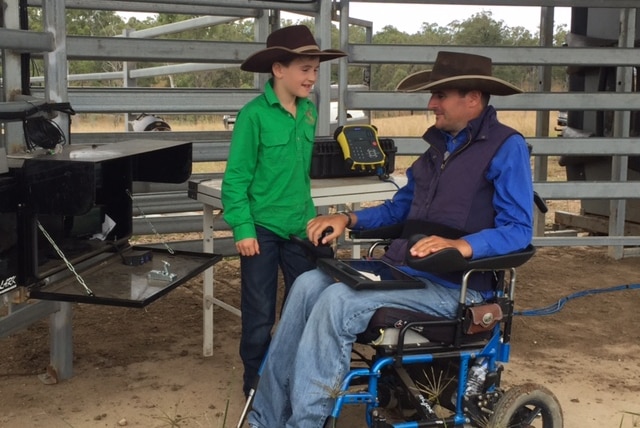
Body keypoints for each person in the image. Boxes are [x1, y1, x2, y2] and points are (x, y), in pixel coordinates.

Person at [247, 51, 534, 428]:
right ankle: (264, 419)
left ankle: (305, 423)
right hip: (405, 269)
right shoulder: (437, 150)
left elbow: (519, 229)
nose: (432, 104)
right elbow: (399, 208)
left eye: (441, 95)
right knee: (306, 283)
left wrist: (461, 246)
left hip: (458, 287)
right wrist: (347, 218)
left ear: (473, 99)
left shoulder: (505, 147)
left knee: (337, 300)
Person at [221, 25, 346, 398]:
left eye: (315, 70)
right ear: (278, 69)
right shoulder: (253, 116)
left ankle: (293, 374)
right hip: (260, 228)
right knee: (259, 310)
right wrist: (242, 227)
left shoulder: (308, 112)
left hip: (300, 227)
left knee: (304, 304)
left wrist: (315, 218)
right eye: (305, 69)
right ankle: (256, 384)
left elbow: (300, 175)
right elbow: (236, 178)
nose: (312, 77)